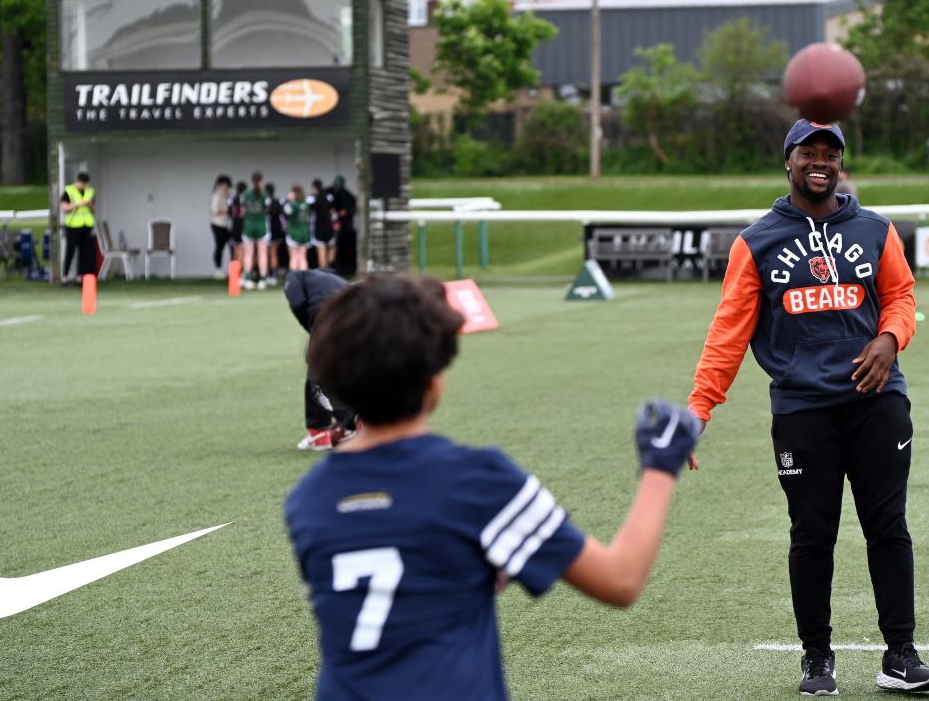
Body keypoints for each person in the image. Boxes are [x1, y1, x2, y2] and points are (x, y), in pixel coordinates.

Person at [285, 274, 700, 701]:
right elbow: (620, 580)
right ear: (434, 380)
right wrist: (660, 465)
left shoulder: (307, 499)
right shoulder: (476, 480)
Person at [688, 119, 929, 696]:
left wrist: (891, 338)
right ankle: (816, 658)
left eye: (831, 153)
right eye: (809, 153)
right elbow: (728, 332)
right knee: (811, 534)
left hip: (877, 403)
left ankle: (900, 655)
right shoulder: (756, 241)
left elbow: (901, 298)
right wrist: (699, 409)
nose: (820, 162)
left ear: (841, 165)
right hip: (802, 409)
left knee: (888, 527)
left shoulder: (875, 230)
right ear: (789, 161)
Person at [285, 269, 356, 451]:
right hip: (357, 319)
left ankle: (320, 432)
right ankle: (356, 420)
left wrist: (310, 327)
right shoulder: (335, 279)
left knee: (317, 377)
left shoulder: (294, 277)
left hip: (327, 315)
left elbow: (297, 302)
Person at [59, 172, 96, 284]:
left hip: (86, 226)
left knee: (84, 253)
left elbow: (94, 209)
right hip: (72, 226)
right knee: (70, 252)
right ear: (77, 181)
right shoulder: (69, 191)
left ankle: (80, 277)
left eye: (84, 183)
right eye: (80, 182)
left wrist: (89, 205)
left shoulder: (90, 192)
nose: (82, 185)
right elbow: (64, 207)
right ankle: (65, 276)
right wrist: (78, 204)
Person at [240, 171, 271, 289]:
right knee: (262, 254)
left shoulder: (246, 194)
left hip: (249, 225)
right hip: (261, 226)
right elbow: (267, 209)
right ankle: (262, 280)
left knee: (248, 254)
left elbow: (243, 211)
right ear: (261, 180)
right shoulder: (265, 194)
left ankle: (248, 280)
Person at [330, 175, 357, 277]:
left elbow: (353, 209)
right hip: (331, 227)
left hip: (345, 228)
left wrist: (346, 212)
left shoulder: (348, 196)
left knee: (344, 248)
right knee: (333, 248)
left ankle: (345, 268)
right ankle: (334, 267)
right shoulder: (329, 193)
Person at [307, 178, 336, 270]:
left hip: (318, 227)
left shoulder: (312, 198)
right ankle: (329, 266)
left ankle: (323, 270)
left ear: (314, 187)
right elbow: (332, 213)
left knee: (321, 249)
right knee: (331, 246)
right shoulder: (329, 197)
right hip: (329, 226)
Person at [209, 175, 232, 280]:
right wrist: (228, 211)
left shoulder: (227, 194)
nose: (226, 187)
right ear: (220, 184)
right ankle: (218, 269)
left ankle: (232, 270)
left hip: (226, 224)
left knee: (231, 245)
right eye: (225, 184)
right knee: (219, 246)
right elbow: (214, 210)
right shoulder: (216, 194)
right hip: (217, 224)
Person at [265, 182, 289, 281]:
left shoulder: (264, 201)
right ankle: (273, 275)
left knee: (265, 253)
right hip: (274, 229)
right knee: (273, 253)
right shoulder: (277, 201)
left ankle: (267, 275)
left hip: (266, 229)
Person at [284, 185, 311, 273]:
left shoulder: (293, 205)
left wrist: (288, 200)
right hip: (304, 232)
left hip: (294, 232)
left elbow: (285, 211)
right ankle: (304, 279)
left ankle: (294, 279)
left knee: (294, 258)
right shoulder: (306, 204)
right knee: (302, 258)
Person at [228, 180, 247, 260]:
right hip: (244, 226)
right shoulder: (246, 199)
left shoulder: (232, 199)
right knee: (243, 250)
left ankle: (236, 271)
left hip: (235, 226)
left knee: (235, 250)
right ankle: (242, 271)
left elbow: (229, 212)